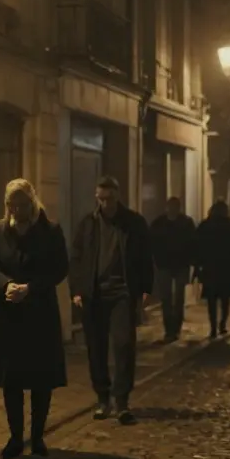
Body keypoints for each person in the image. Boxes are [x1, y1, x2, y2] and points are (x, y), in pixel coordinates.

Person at [0, 179, 69, 459]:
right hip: (8, 313)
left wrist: (31, 288)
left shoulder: (50, 231)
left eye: (22, 205)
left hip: (39, 313)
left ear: (32, 203)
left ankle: (38, 436)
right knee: (12, 379)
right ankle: (15, 437)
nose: (17, 211)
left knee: (40, 378)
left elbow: (59, 268)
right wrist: (5, 284)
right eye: (12, 205)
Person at [69, 176, 151, 425]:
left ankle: (122, 400)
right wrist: (77, 290)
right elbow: (77, 258)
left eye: (110, 199)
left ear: (118, 197)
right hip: (94, 294)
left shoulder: (134, 223)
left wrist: (145, 288)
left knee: (124, 344)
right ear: (96, 198)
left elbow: (145, 256)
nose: (106, 204)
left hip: (123, 293)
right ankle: (103, 398)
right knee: (96, 347)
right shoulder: (88, 224)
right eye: (101, 199)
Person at [194, 199, 230, 338]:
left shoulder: (205, 225)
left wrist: (198, 265)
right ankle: (222, 324)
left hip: (210, 267)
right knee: (224, 299)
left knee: (212, 300)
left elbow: (197, 245)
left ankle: (214, 327)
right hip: (225, 267)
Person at [150, 196, 197, 342]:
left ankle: (175, 328)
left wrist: (191, 261)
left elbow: (192, 243)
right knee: (166, 298)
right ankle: (169, 329)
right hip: (164, 265)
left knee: (178, 298)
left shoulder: (186, 223)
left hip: (181, 265)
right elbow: (152, 242)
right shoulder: (159, 223)